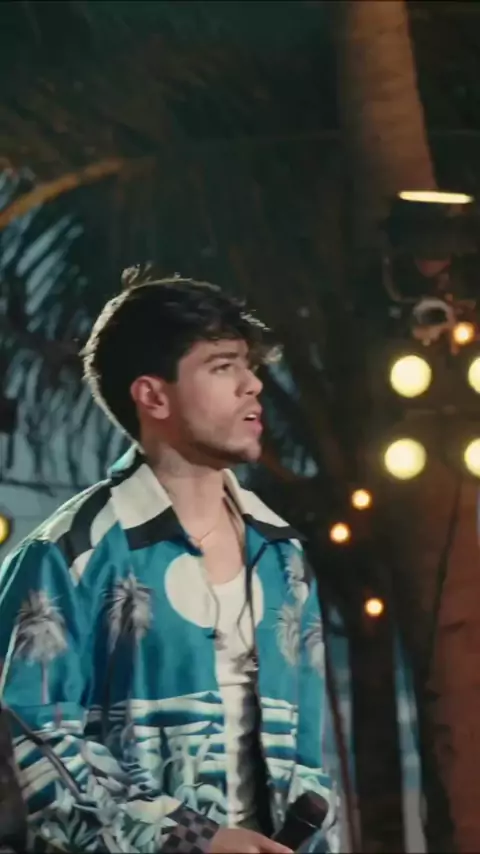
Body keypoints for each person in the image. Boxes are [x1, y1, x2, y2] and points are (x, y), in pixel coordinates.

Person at [0, 267, 338, 853]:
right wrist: (196, 840)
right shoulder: (68, 555)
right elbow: (32, 745)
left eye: (249, 365)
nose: (252, 384)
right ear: (153, 395)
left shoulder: (282, 555)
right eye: (222, 366)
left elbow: (307, 762)